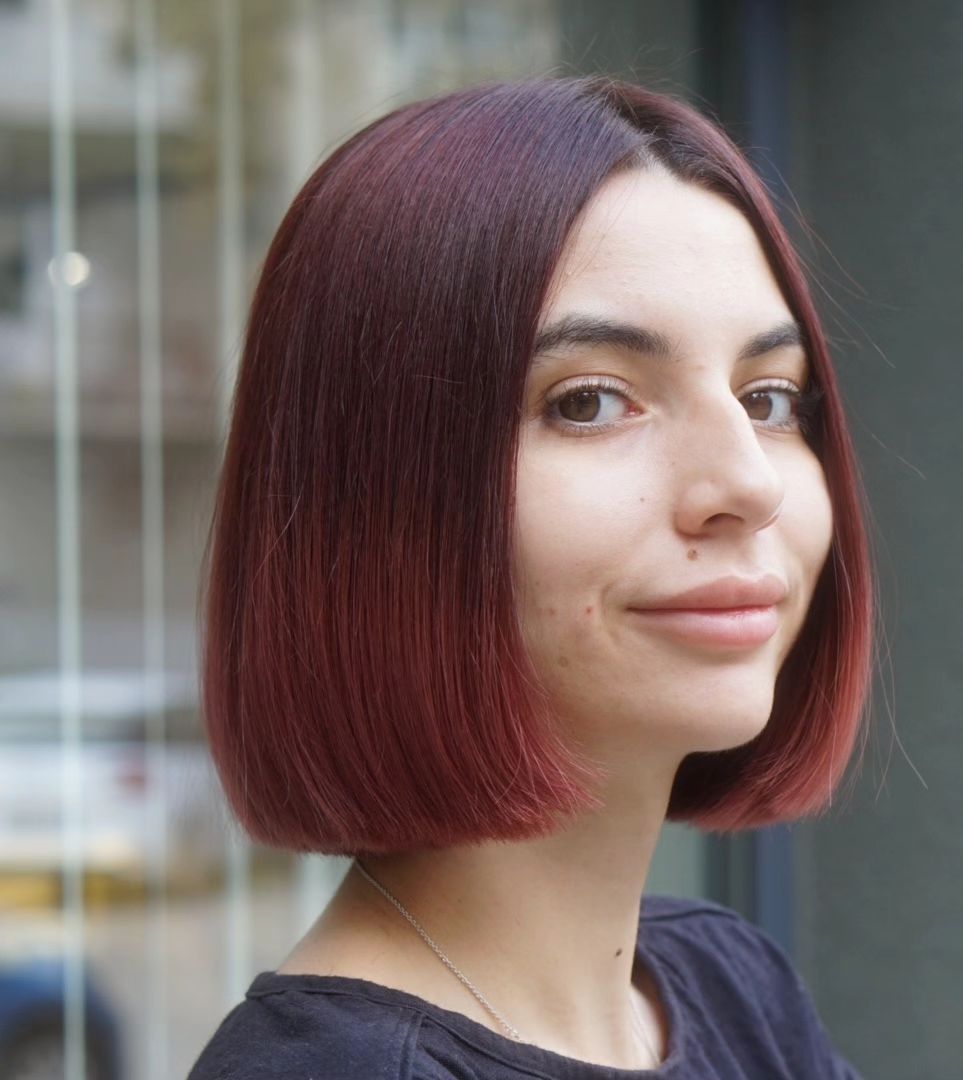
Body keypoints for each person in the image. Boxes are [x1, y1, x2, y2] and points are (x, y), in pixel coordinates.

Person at [186, 74, 875, 1079]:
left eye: (769, 398)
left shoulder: (728, 984)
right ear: (376, 501)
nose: (746, 483)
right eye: (592, 402)